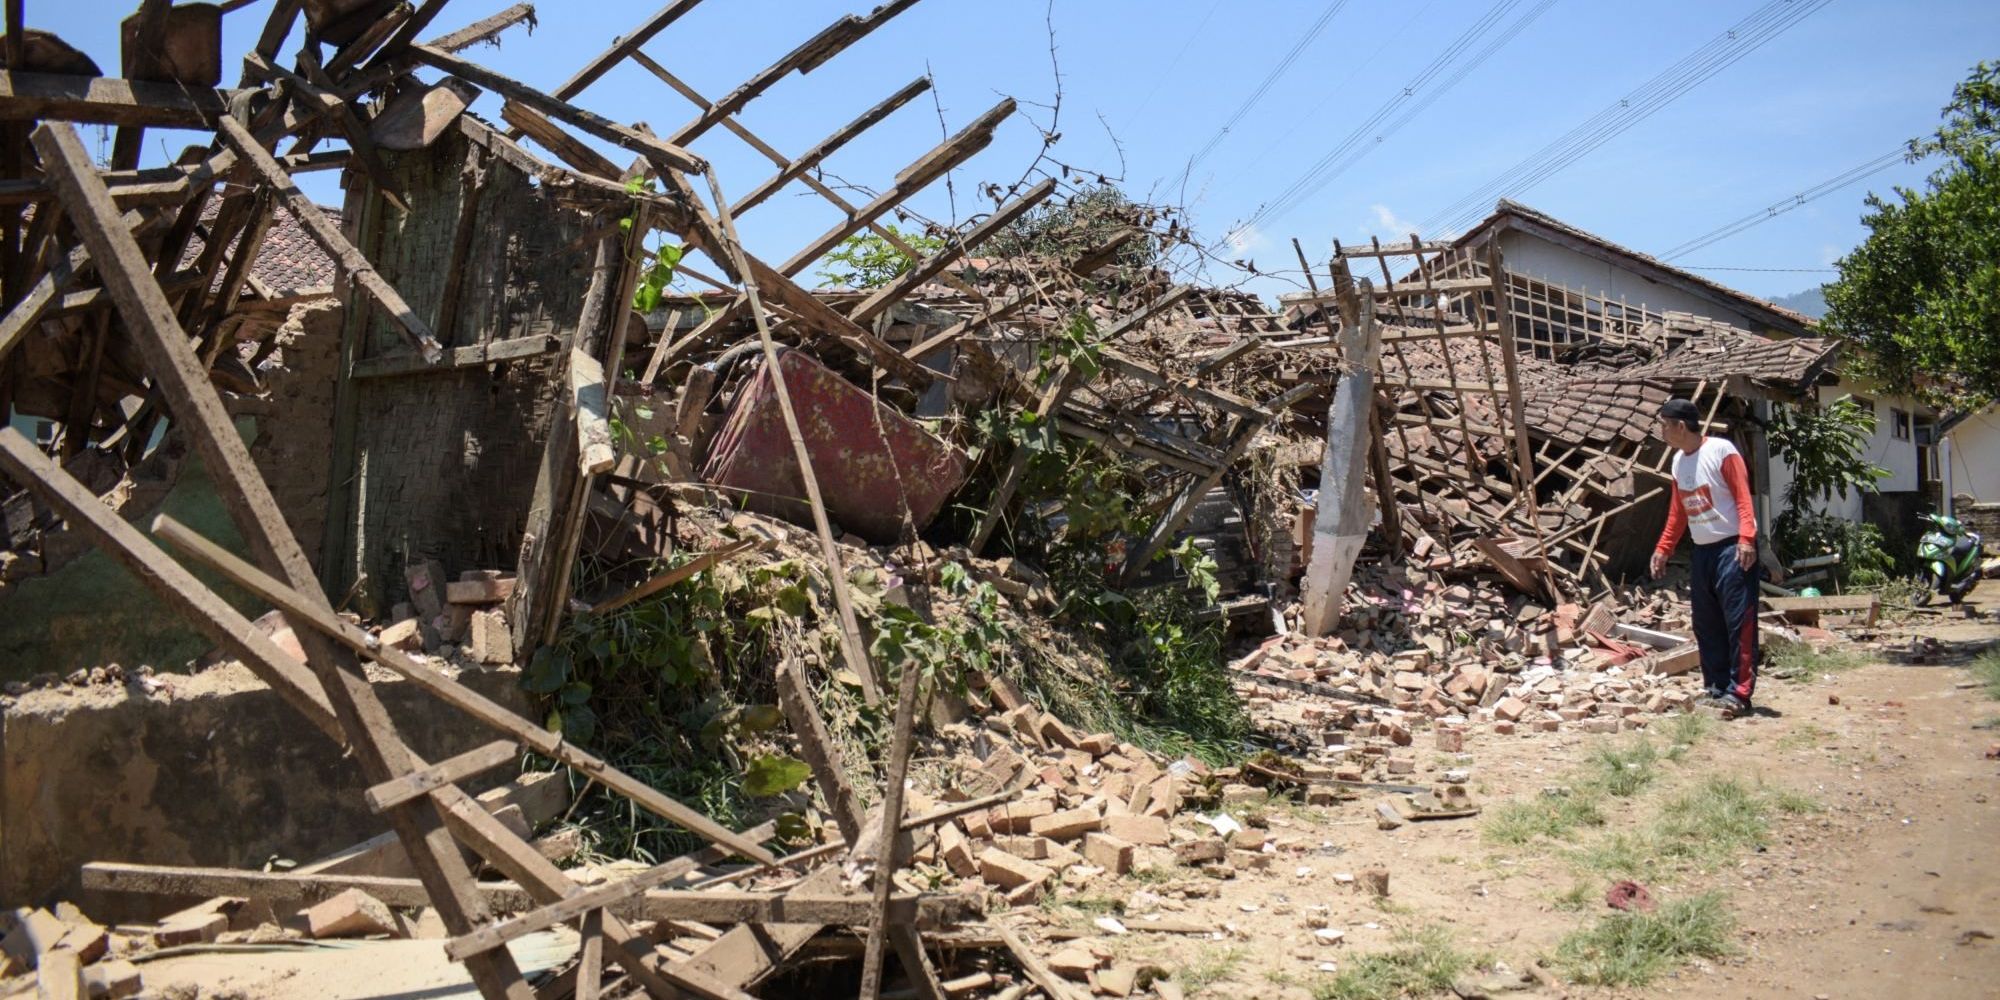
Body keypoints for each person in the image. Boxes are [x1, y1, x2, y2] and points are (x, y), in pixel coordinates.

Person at [1649, 398, 1760, 716]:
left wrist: (1747, 539)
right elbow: (1678, 511)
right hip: (1703, 551)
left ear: (1680, 426)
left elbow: (1742, 497)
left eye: (1663, 424)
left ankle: (1739, 694)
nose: (1661, 430)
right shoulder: (1677, 462)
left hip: (1732, 548)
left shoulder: (1722, 451)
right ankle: (1715, 687)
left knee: (1739, 623)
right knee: (1706, 623)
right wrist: (1664, 548)